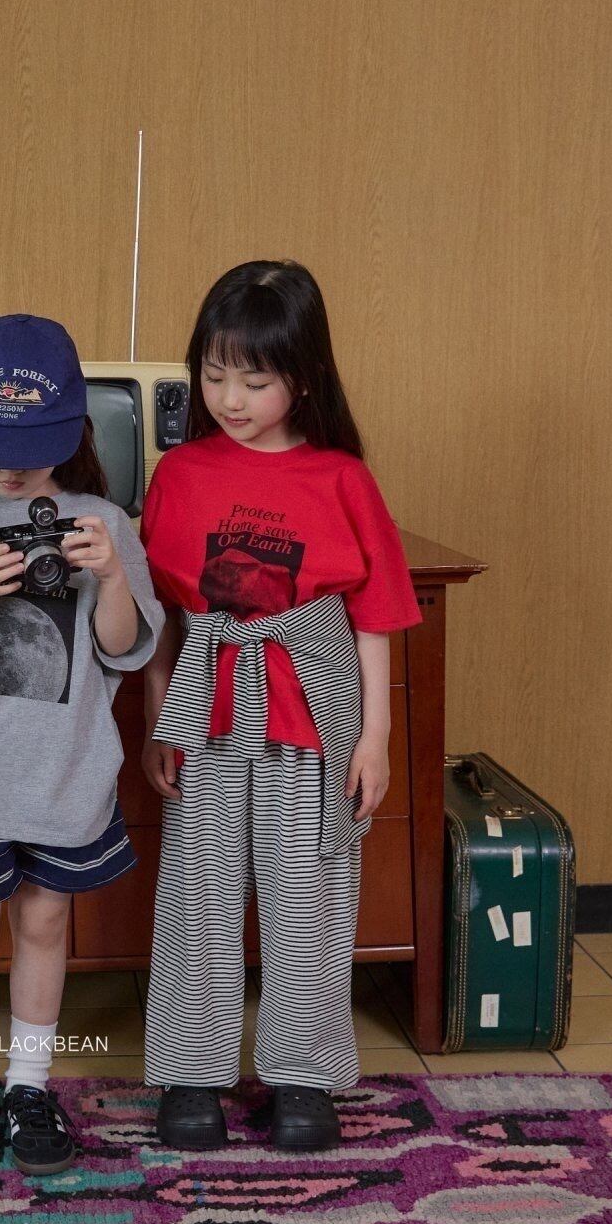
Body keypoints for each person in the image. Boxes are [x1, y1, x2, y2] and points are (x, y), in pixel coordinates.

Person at [138, 260, 422, 1152]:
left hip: (315, 711)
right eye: (214, 375)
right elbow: (164, 618)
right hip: (207, 707)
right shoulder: (180, 472)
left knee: (310, 896)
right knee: (199, 891)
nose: (230, 398)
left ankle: (303, 1076)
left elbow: (374, 618)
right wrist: (157, 722)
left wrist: (375, 737)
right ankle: (191, 1073)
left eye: (254, 380)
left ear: (305, 376)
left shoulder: (343, 478)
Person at [0, 312, 164, 1175]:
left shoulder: (104, 522)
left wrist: (112, 573)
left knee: (45, 928)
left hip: (65, 772)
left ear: (70, 433)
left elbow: (124, 648)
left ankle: (28, 1086)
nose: (10, 468)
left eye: (30, 448)